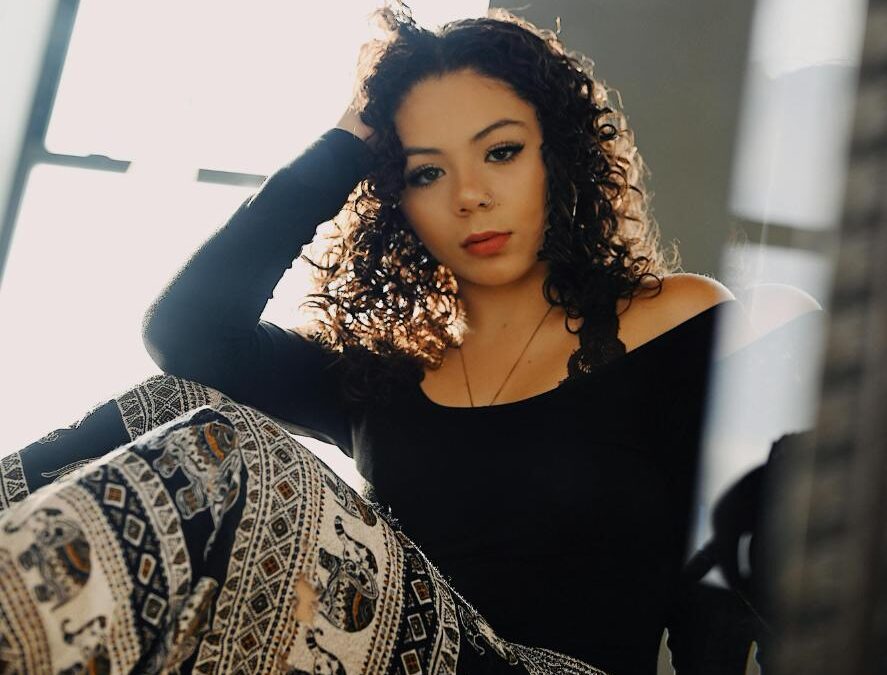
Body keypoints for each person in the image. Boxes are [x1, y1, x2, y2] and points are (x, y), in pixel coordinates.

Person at [0, 3, 757, 673]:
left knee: (231, 451)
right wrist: (346, 142)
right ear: (395, 197)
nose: (469, 196)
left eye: (501, 151)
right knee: (171, 406)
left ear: (557, 156)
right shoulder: (381, 377)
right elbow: (189, 333)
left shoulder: (681, 319)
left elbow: (724, 584)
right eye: (426, 173)